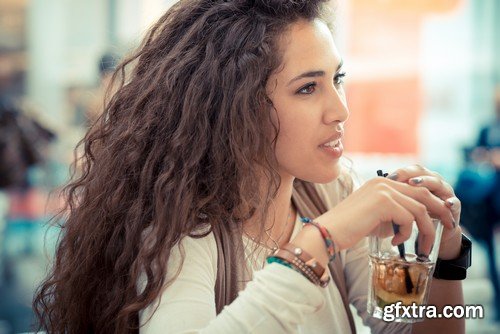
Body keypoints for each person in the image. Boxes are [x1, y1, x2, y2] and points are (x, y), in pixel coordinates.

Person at [33, 1, 468, 333]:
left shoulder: (331, 193)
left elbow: (406, 326)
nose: (340, 110)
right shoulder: (184, 239)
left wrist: (448, 255)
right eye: (307, 88)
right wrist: (323, 239)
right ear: (235, 109)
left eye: (337, 79)